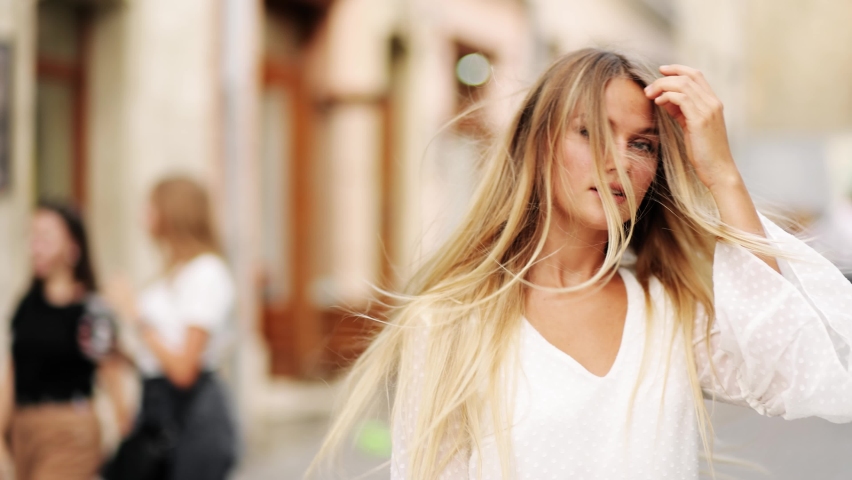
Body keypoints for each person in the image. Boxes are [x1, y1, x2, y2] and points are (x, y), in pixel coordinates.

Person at [311, 48, 852, 479]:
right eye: (590, 131)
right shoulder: (451, 321)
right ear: (538, 143)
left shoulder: (673, 314)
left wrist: (723, 176)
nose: (619, 160)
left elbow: (794, 375)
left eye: (643, 145)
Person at [104, 176, 237, 480]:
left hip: (192, 420)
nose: (142, 215)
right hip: (158, 412)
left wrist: (135, 315)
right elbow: (159, 361)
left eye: (150, 207)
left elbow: (184, 370)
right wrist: (119, 354)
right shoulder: (172, 273)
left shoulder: (206, 272)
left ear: (172, 213)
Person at [0, 202, 131, 480]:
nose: (35, 247)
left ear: (73, 247)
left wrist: (128, 445)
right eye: (32, 237)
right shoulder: (27, 305)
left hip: (70, 432)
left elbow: (112, 377)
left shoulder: (91, 311)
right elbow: (12, 372)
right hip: (23, 432)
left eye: (46, 237)